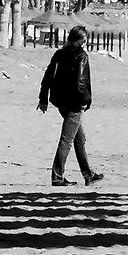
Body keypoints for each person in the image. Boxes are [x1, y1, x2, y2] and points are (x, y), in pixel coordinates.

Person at [38, 25, 103, 186]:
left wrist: (43, 98)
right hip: (74, 104)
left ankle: (88, 174)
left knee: (79, 138)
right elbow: (81, 82)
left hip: (61, 102)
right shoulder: (81, 56)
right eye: (84, 39)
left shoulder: (60, 54)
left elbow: (48, 76)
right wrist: (86, 101)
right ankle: (57, 176)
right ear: (80, 40)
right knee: (66, 140)